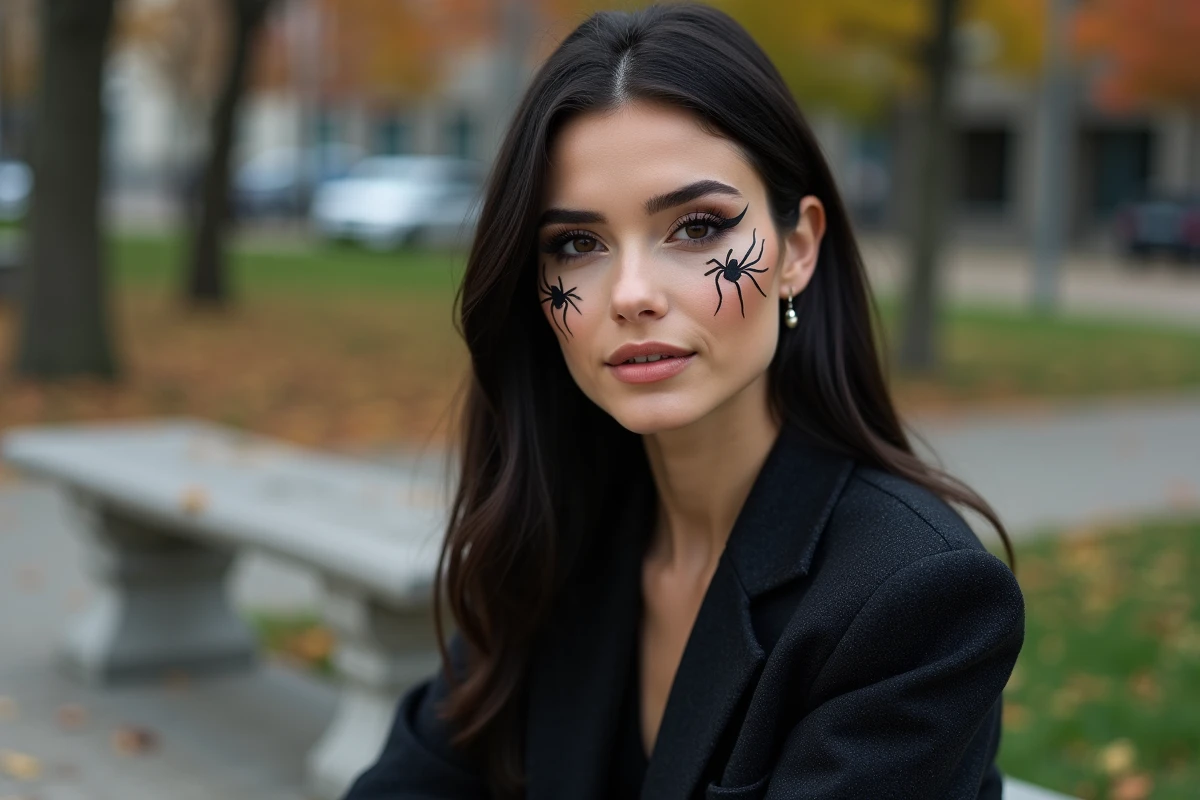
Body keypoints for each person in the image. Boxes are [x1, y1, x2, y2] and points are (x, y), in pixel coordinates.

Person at [342, 4, 1024, 799]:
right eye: (576, 244)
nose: (632, 294)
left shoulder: (915, 598)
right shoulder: (559, 527)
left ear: (797, 248)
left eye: (697, 227)